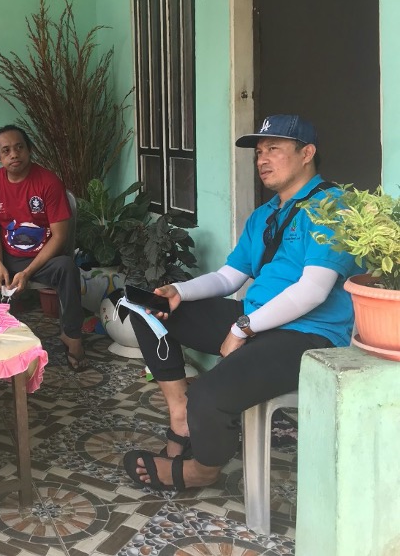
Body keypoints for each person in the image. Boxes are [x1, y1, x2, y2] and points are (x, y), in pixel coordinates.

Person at [122, 114, 363, 492]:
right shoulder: (265, 215)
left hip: (306, 335)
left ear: (307, 153)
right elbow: (228, 278)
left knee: (210, 393)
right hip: (255, 320)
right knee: (149, 310)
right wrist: (179, 292)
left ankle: (203, 468)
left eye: (274, 150)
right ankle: (180, 413)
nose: (262, 160)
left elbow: (314, 290)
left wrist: (241, 328)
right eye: (259, 152)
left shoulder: (332, 208)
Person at [0, 125, 86, 370]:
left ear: (29, 150)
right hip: (6, 256)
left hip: (41, 259)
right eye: (6, 150)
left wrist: (28, 272)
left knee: (67, 268)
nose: (14, 154)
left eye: (19, 147)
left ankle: (72, 337)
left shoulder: (48, 182)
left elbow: (59, 236)